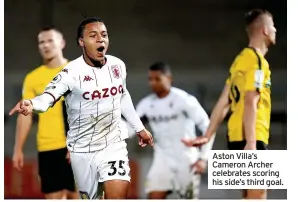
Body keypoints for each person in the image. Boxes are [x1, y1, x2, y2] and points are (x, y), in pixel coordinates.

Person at [9, 17, 153, 200]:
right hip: (81, 150)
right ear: (81, 42)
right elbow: (48, 98)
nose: (101, 39)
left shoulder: (118, 65)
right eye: (93, 36)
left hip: (113, 144)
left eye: (104, 35)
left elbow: (122, 96)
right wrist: (32, 103)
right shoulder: (70, 73)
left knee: (117, 194)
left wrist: (139, 128)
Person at [182, 9, 276, 199]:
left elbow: (224, 101)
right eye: (273, 26)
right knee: (258, 196)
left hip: (235, 136)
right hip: (251, 137)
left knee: (250, 195)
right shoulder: (257, 61)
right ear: (265, 30)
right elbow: (251, 100)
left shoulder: (239, 60)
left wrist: (207, 135)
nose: (276, 30)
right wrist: (251, 143)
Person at [125, 62, 215, 199]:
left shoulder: (184, 100)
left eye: (157, 79)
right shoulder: (147, 105)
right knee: (154, 196)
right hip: (162, 160)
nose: (152, 83)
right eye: (150, 79)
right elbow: (132, 128)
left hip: (186, 159)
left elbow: (208, 127)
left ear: (169, 78)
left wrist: (203, 158)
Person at [12, 27, 78, 199]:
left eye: (50, 40)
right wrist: (18, 148)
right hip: (48, 148)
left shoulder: (77, 71)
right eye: (42, 42)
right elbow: (25, 115)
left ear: (62, 43)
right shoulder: (33, 78)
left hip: (77, 147)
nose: (46, 45)